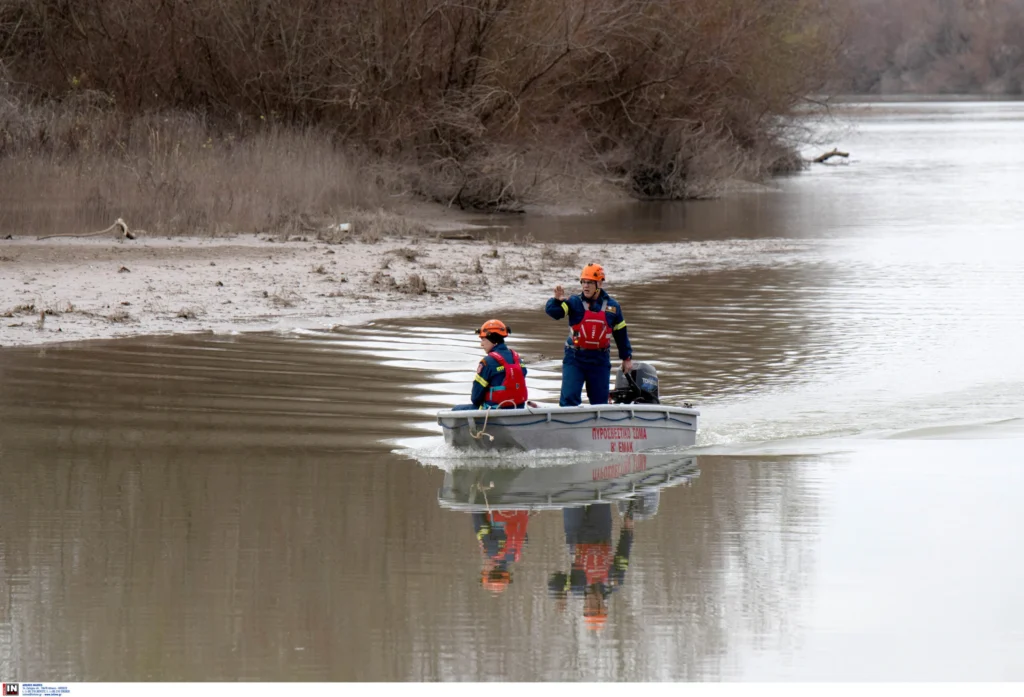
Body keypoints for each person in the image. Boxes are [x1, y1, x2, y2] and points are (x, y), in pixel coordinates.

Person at [545, 263, 633, 406]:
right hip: (575, 358)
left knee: (600, 404)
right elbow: (554, 313)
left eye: (590, 283)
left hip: (599, 360)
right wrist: (555, 301)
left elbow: (621, 334)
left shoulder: (613, 307)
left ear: (599, 283)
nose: (585, 286)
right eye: (583, 282)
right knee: (569, 399)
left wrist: (626, 358)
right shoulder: (574, 302)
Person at [547, 502, 635, 630]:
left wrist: (560, 594)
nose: (588, 602)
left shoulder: (576, 587)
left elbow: (555, 580)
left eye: (586, 606)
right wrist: (628, 529)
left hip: (576, 532)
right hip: (601, 528)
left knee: (571, 498)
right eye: (592, 606)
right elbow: (623, 554)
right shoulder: (614, 582)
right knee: (600, 495)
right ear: (602, 606)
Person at [452, 319, 529, 411]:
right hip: (518, 409)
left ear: (492, 340)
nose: (481, 344)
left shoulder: (487, 362)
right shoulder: (517, 359)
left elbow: (476, 398)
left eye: (483, 340)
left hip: (492, 411)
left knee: (456, 410)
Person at [472, 508, 530, 594]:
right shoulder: (491, 551)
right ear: (491, 571)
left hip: (519, 508)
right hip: (496, 507)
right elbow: (478, 516)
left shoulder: (515, 555)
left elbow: (524, 534)